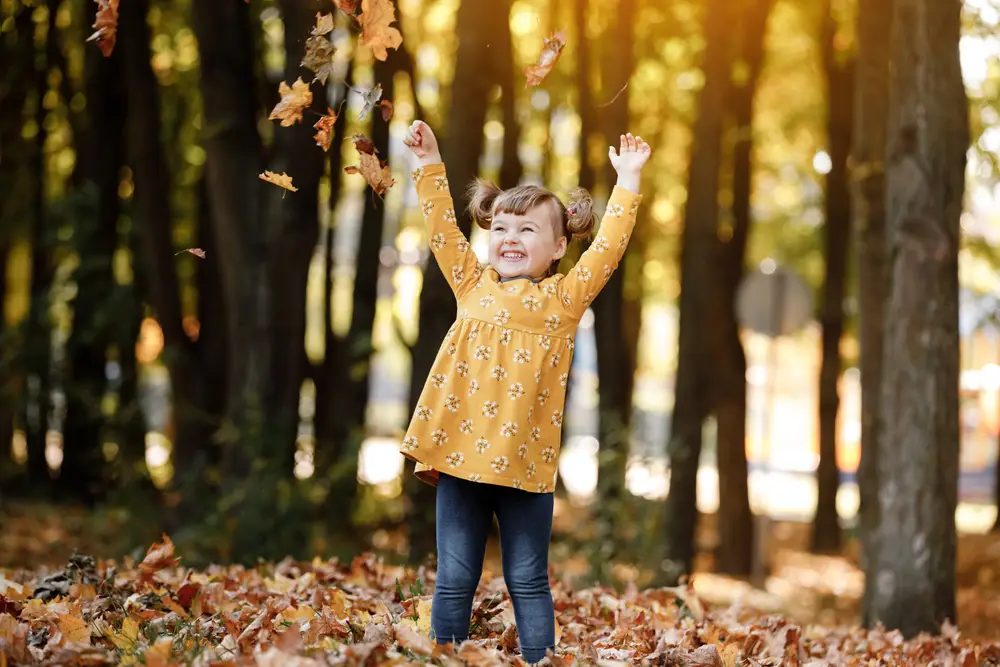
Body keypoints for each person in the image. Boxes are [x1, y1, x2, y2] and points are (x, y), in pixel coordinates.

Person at [400, 119, 651, 664]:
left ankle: (542, 661)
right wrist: (428, 161)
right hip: (461, 461)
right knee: (455, 577)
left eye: (527, 230)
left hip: (526, 467)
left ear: (559, 245)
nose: (510, 238)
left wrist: (628, 180)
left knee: (528, 578)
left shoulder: (565, 301)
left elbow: (608, 249)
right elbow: (441, 226)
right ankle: (445, 658)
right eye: (501, 229)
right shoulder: (472, 284)